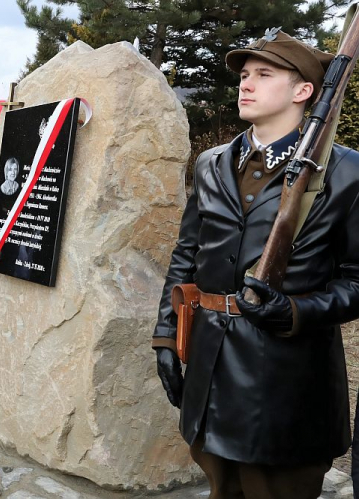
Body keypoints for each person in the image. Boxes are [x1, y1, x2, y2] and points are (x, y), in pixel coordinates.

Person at [153, 29, 359, 499]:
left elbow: (357, 280)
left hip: (285, 382)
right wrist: (167, 334)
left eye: (264, 75)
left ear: (304, 91)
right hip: (209, 373)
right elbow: (186, 255)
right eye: (245, 75)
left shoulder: (347, 172)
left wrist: (294, 312)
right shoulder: (210, 163)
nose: (246, 84)